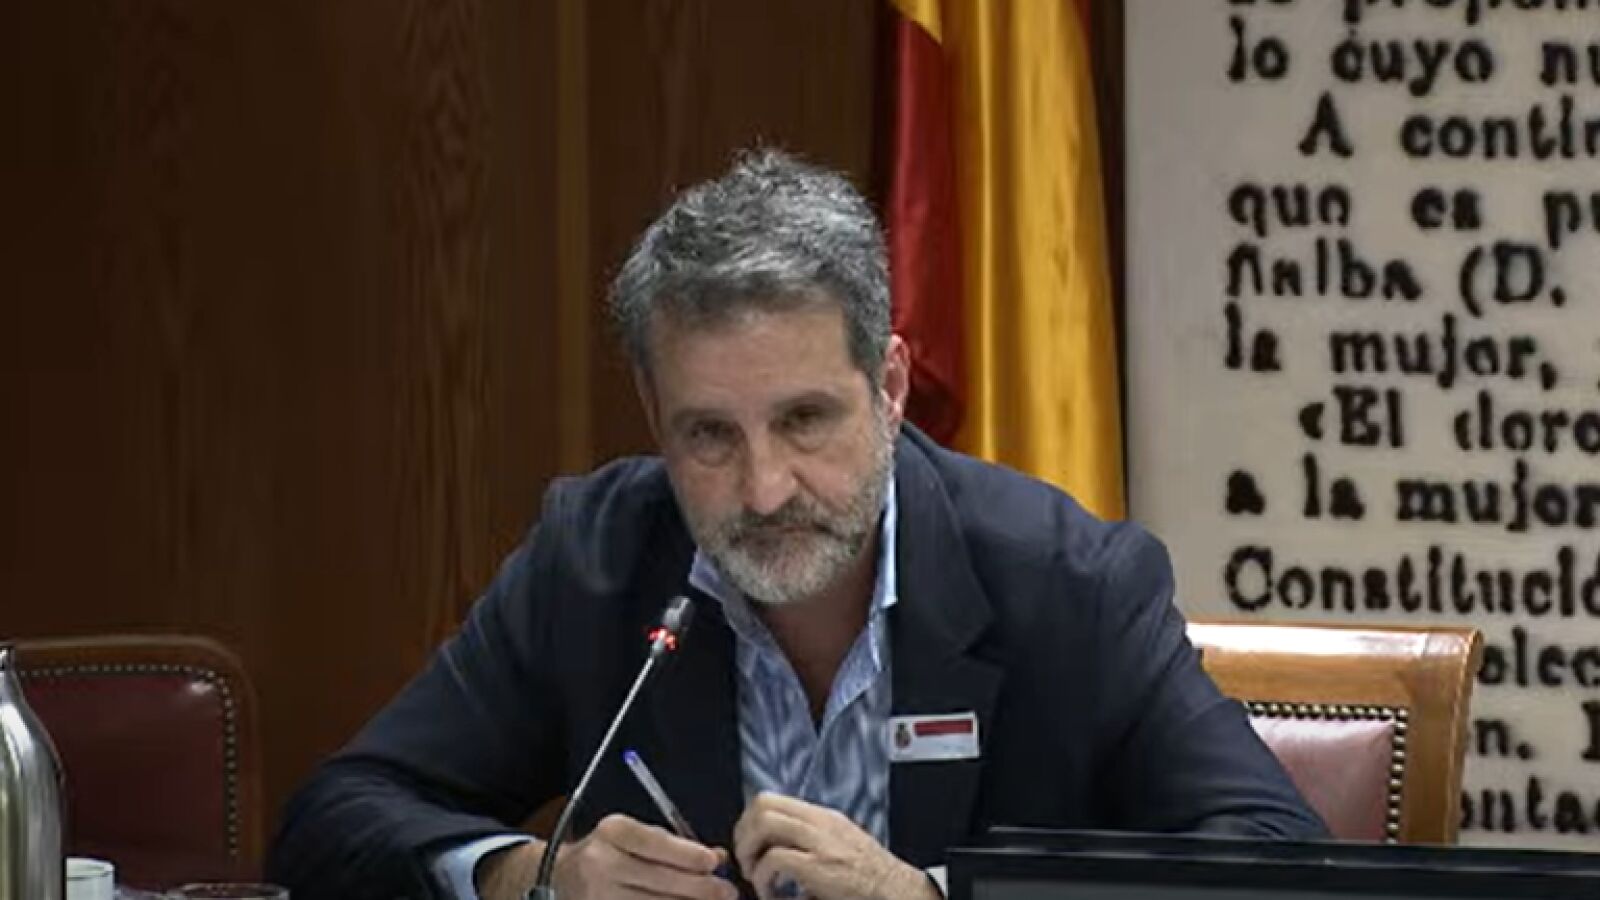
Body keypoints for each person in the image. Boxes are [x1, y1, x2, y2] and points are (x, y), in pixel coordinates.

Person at [266, 150, 1326, 900]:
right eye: (709, 436)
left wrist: (932, 897)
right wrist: (529, 877)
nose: (766, 489)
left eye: (805, 420)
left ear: (891, 387)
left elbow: (1280, 861)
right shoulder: (592, 561)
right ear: (652, 414)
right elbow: (334, 821)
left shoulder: (1064, 579)